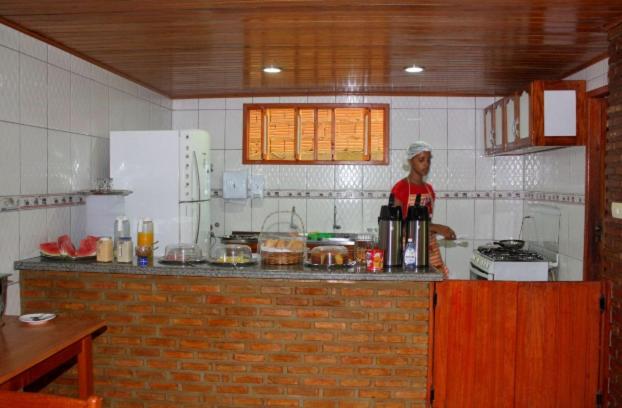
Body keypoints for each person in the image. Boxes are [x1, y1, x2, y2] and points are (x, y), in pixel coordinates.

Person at [391, 141, 455, 277]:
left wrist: (441, 231)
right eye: (421, 160)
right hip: (408, 250)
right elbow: (396, 227)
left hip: (429, 247)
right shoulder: (400, 189)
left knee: (437, 282)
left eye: (428, 160)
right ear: (410, 161)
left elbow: (426, 223)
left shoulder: (429, 189)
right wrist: (436, 228)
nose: (426, 164)